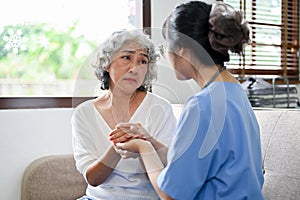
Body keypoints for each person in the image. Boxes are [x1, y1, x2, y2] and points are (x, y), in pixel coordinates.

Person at [114, 1, 264, 199]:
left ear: (182, 49)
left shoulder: (202, 106)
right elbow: (195, 162)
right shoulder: (235, 91)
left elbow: (170, 195)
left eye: (165, 46)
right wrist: (149, 140)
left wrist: (143, 149)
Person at [71, 30, 177, 200]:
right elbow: (92, 179)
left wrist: (146, 141)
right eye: (127, 57)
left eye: (142, 61)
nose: (135, 68)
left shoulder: (160, 108)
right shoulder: (83, 113)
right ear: (106, 63)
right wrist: (117, 148)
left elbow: (172, 165)